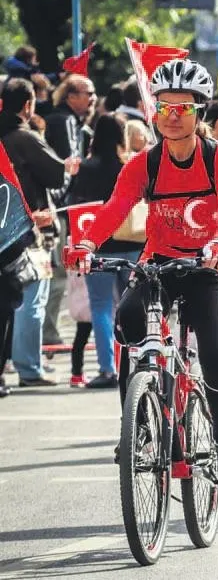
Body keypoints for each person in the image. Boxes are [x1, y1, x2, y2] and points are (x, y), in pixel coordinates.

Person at [66, 59, 218, 488]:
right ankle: (136, 425)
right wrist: (88, 244)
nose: (171, 117)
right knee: (128, 327)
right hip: (159, 265)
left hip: (207, 268)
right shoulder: (143, 163)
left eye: (182, 109)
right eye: (163, 108)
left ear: (198, 112)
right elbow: (115, 207)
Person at [0, 78, 75, 386]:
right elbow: (57, 174)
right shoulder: (24, 138)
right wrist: (69, 168)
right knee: (31, 300)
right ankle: (29, 366)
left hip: (7, 226)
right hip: (27, 229)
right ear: (28, 105)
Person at [64, 114, 144, 388]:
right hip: (133, 244)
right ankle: (138, 363)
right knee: (134, 306)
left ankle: (108, 368)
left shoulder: (86, 168)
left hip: (96, 245)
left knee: (100, 307)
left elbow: (71, 202)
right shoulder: (130, 165)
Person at [46, 75, 97, 162]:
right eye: (90, 94)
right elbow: (67, 162)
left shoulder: (76, 123)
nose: (94, 98)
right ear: (72, 97)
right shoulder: (63, 121)